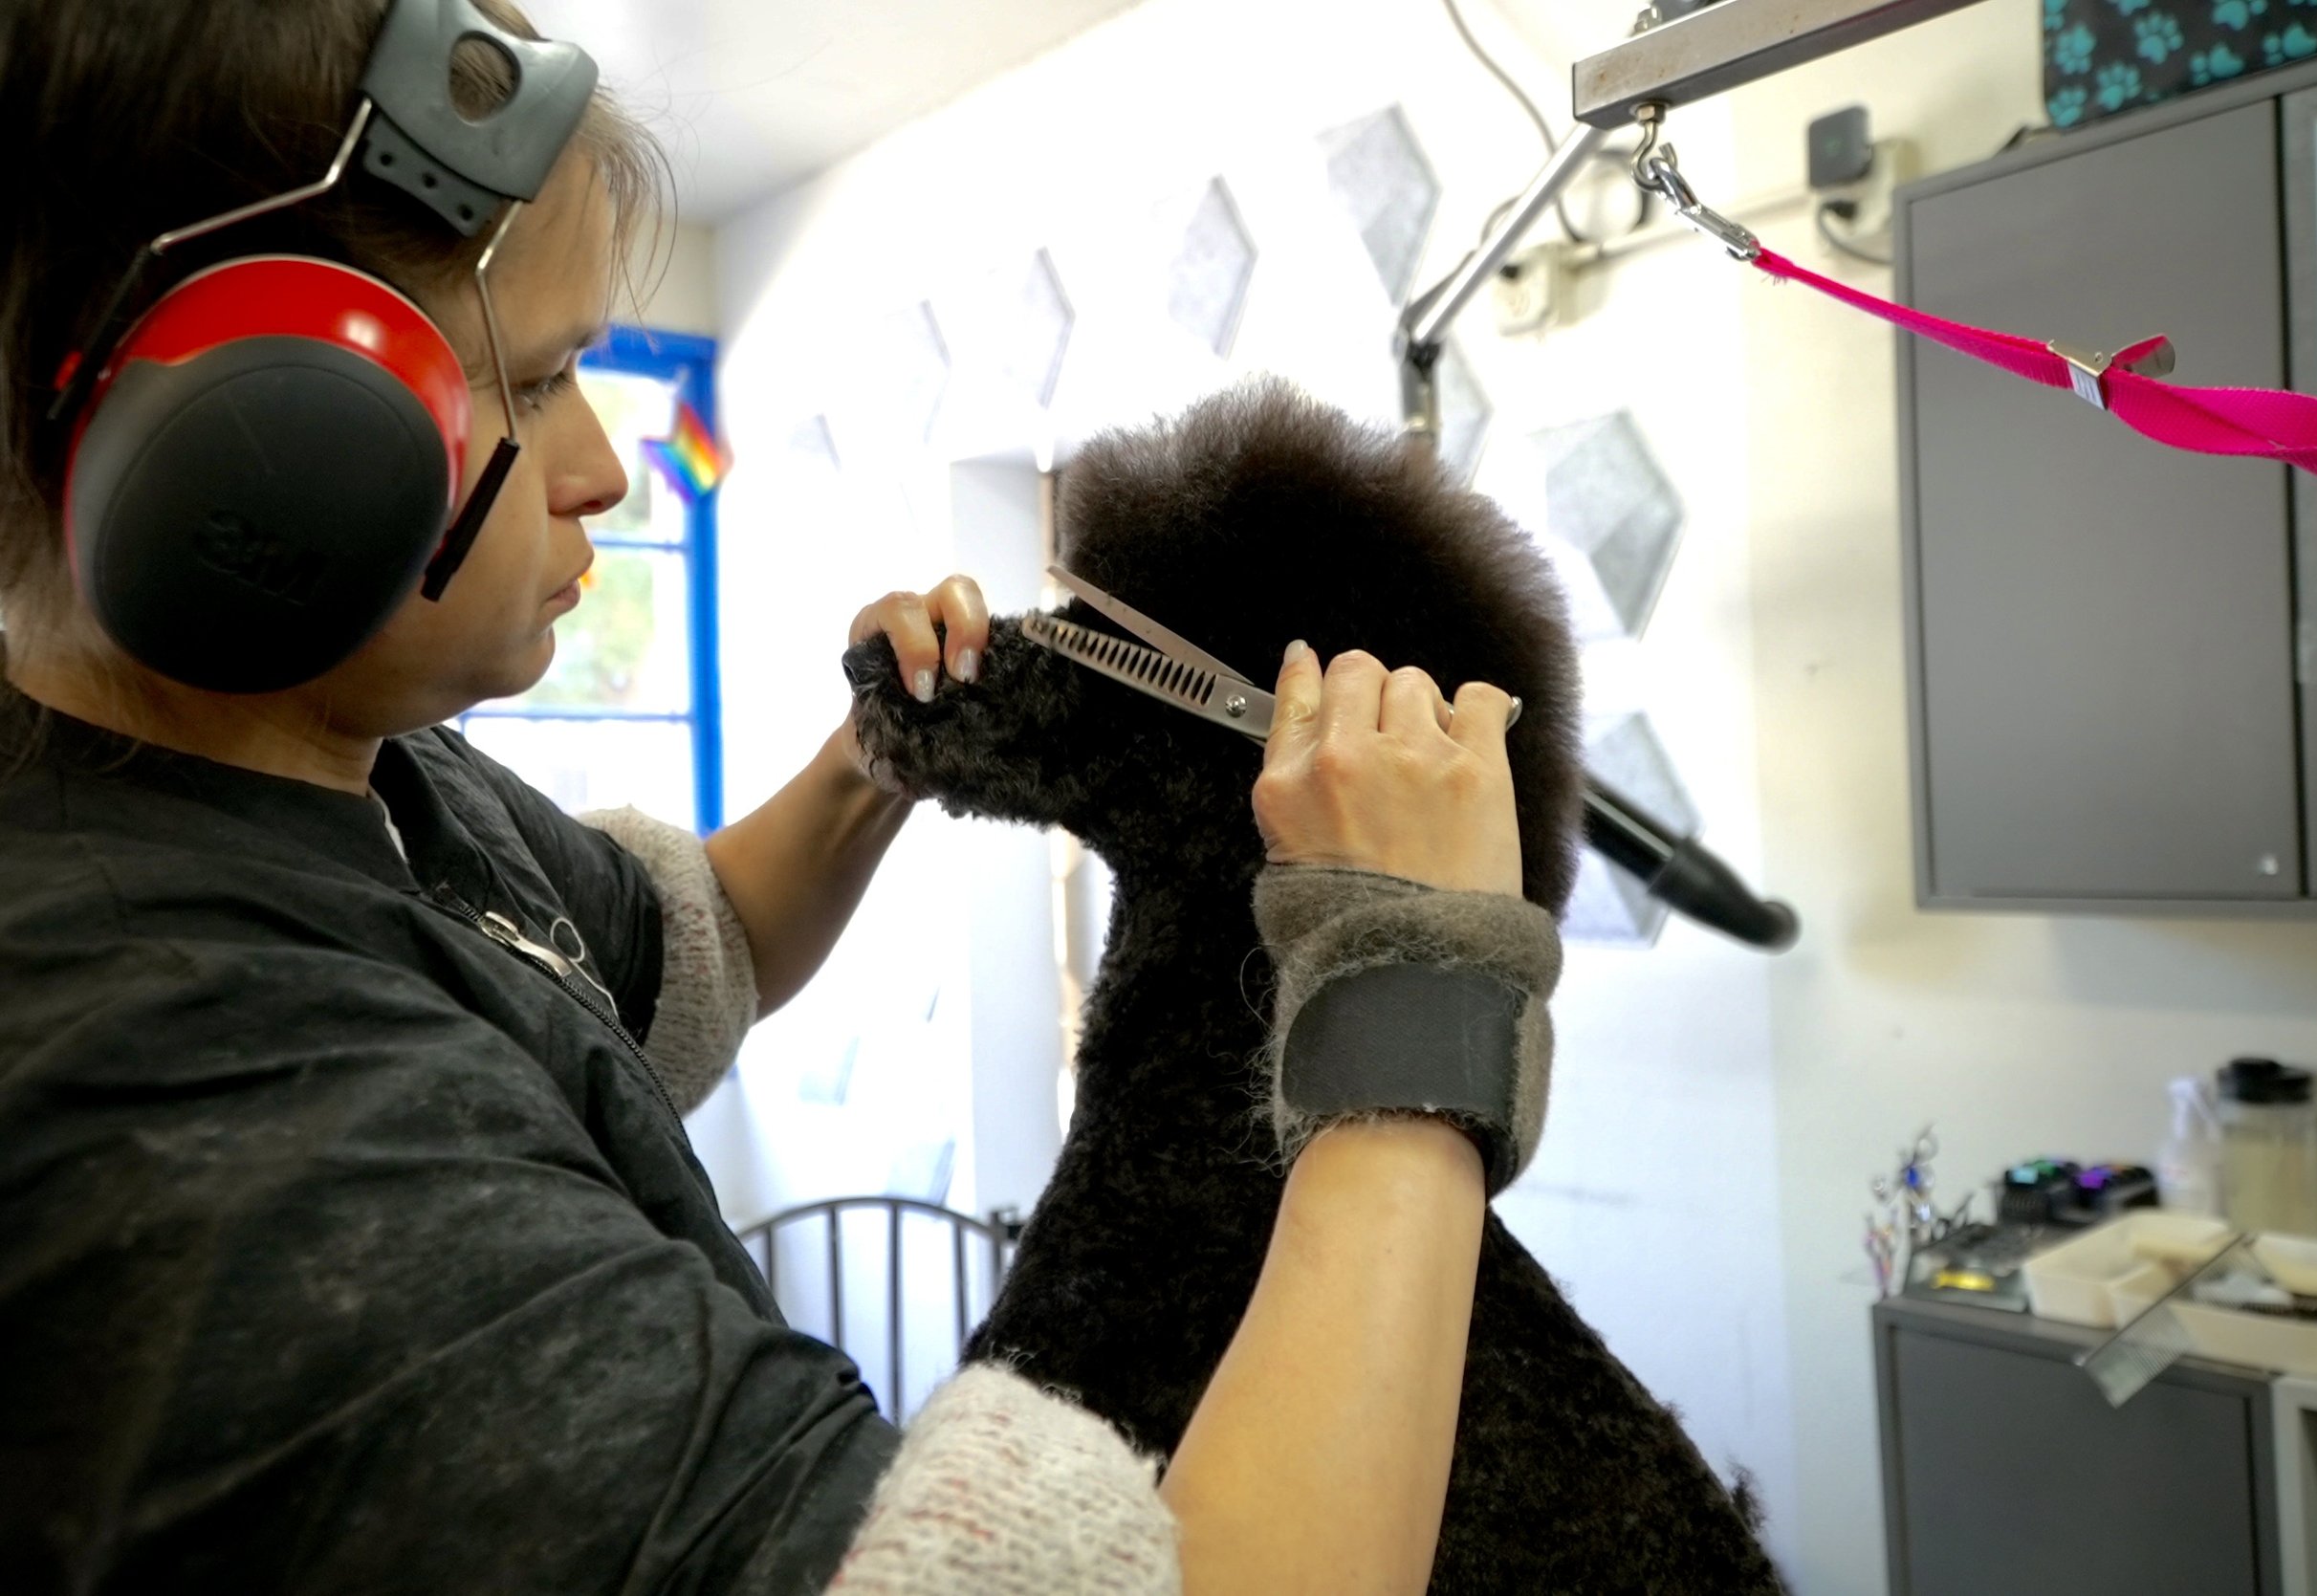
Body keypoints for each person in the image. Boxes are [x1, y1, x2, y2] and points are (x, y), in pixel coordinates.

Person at [0, 4, 1563, 1592]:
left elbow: (705, 947)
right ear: (250, 447)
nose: (603, 466)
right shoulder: (211, 1110)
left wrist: (875, 759)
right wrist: (1415, 983)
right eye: (538, 383)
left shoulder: (368, 770)